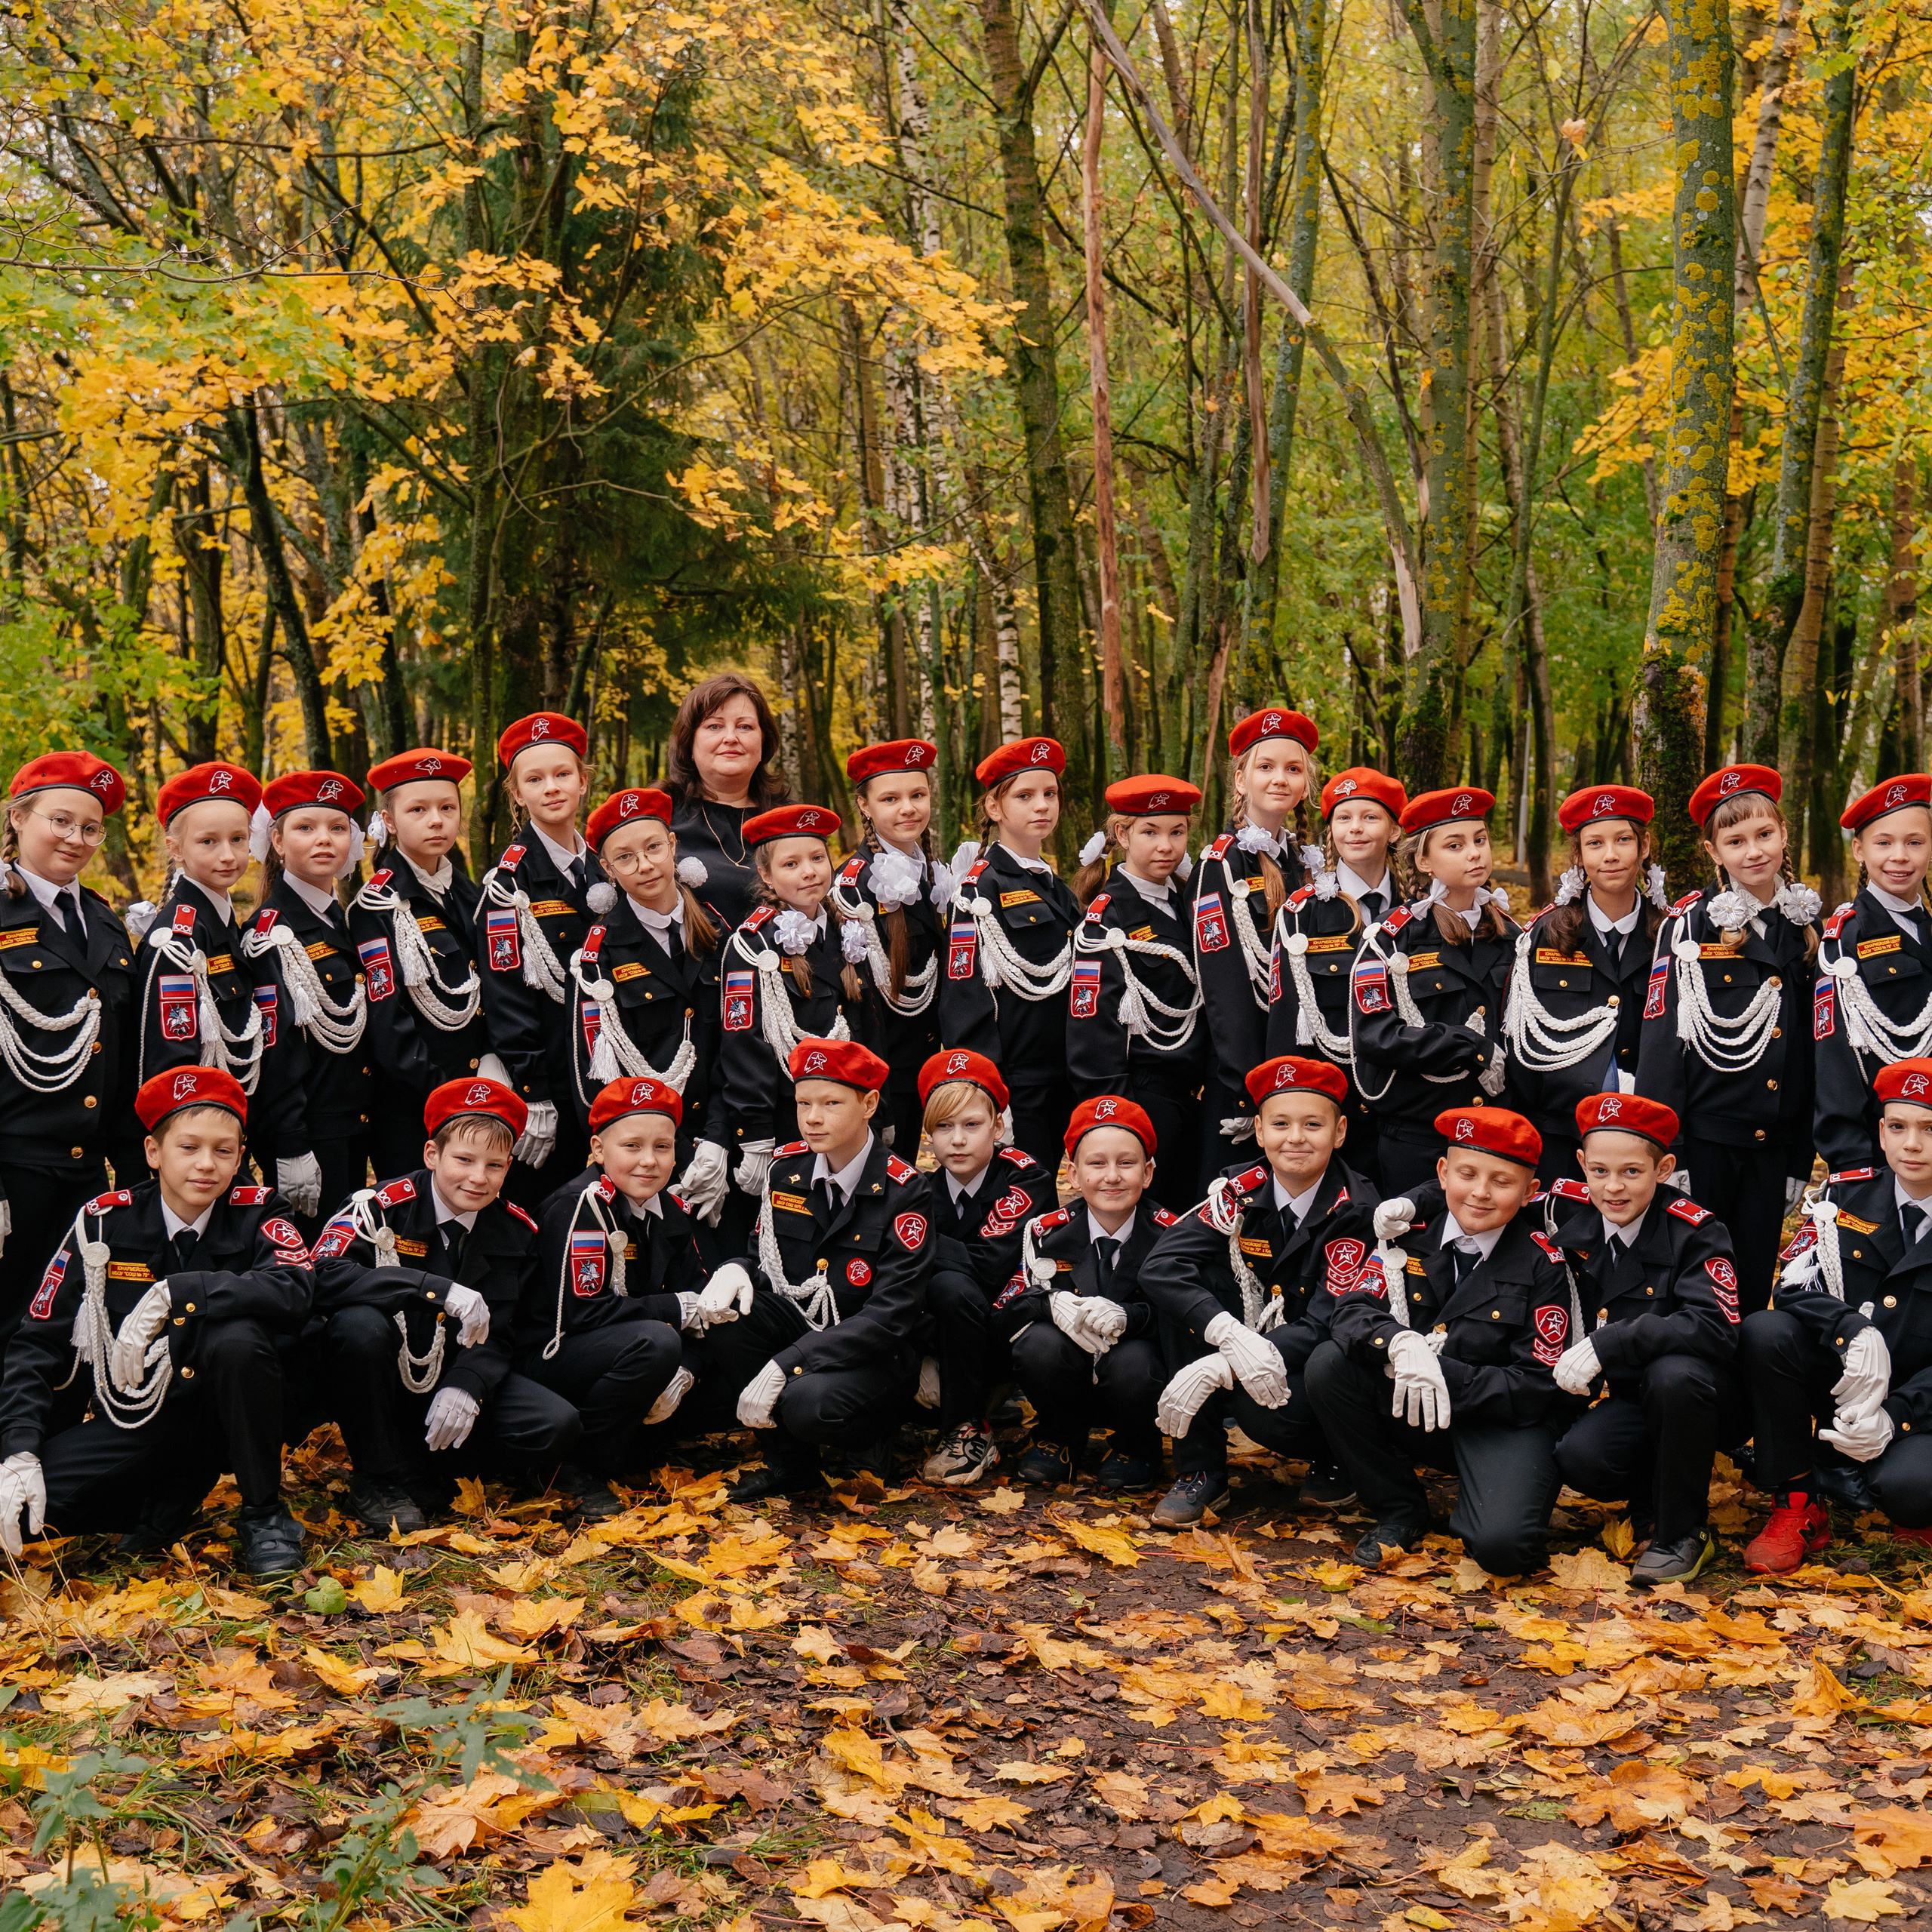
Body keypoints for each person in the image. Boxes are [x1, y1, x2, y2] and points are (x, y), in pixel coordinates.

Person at [0, 1066, 309, 1574]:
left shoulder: (258, 1212)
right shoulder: (104, 1224)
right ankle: (163, 1498)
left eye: (224, 1150)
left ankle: (264, 1514)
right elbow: (38, 1341)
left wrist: (182, 1292)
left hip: (238, 1412)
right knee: (30, 1507)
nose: (207, 1165)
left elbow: (297, 1288)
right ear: (152, 1153)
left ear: (240, 1157)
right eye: (188, 1147)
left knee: (235, 1338)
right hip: (142, 1418)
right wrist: (19, 1449)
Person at [1306, 1106, 1578, 1574]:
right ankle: (1399, 1509)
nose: (1480, 1193)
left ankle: (1486, 1502)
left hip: (1499, 1421)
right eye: (1467, 1174)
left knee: (1502, 1550)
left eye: (1502, 1181)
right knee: (1330, 1365)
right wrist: (1398, 1344)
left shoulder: (1544, 1266)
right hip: (1415, 1407)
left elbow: (1537, 1384)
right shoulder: (1406, 1234)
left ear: (1531, 1192)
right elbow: (1351, 1311)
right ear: (1442, 1172)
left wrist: (1439, 1371)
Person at [306, 1075, 580, 1532]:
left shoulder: (515, 1231)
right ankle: (377, 1478)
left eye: (494, 1165)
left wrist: (467, 1383)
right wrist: (433, 1288)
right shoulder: (381, 1209)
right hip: (381, 1380)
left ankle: (436, 1464)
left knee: (556, 1424)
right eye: (464, 1159)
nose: (478, 1177)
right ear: (432, 1154)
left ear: (509, 1167)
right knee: (358, 1328)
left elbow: (506, 1330)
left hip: (453, 1375)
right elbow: (323, 1275)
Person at [1142, 1055, 1379, 1527]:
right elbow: (1161, 1266)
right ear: (1259, 1129)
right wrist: (1226, 1334)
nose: (1295, 1138)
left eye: (1313, 1124)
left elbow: (1327, 1322)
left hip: (1309, 1359)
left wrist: (1225, 1360)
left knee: (1278, 1402)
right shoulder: (1238, 1190)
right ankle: (1201, 1472)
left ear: (1340, 1132)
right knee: (1191, 1292)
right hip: (1251, 1337)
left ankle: (1333, 1454)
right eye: (1280, 1123)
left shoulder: (1357, 1208)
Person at [695, 1038, 932, 1503]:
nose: (813, 1118)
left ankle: (870, 1438)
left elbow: (892, 1314)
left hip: (874, 1351)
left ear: (869, 1104)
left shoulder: (905, 1189)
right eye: (804, 1103)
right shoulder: (787, 1170)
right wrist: (736, 1268)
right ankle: (790, 1464)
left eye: (831, 1103)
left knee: (807, 1404)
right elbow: (765, 1257)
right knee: (727, 1314)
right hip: (804, 1326)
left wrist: (789, 1362)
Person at [1635, 764, 1820, 1315]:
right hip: (1706, 1143)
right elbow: (1662, 1045)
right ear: (1714, 852)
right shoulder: (1689, 928)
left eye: (1764, 834)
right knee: (1690, 1282)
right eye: (1735, 841)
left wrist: (1797, 1159)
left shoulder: (1811, 926)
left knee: (1754, 1281)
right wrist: (1670, 1150)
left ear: (1784, 834)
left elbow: (1811, 1057)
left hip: (1773, 1148)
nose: (1753, 851)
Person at [1739, 1057, 1932, 1572]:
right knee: (1766, 1331)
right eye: (1898, 1126)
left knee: (1911, 1491)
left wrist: (1896, 1418)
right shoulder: (1845, 1195)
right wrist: (1854, 1328)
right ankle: (1797, 1502)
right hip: (1844, 1384)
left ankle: (1911, 1501)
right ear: (1882, 1134)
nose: (1912, 1144)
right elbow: (1793, 1283)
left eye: (1930, 1129)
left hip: (1922, 1406)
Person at [1545, 1092, 1743, 1586]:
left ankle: (1684, 1532)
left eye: (1632, 1172)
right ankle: (1652, 1495)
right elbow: (1485, 1188)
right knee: (1581, 1459)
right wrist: (1415, 1202)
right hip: (1634, 1400)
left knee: (1673, 1373)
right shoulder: (1566, 1216)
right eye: (1599, 1171)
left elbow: (1715, 1327)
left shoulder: (1697, 1232)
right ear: (1581, 1166)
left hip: (1704, 1397)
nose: (1613, 1187)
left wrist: (1612, 1341)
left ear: (1665, 1168)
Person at [518, 1076, 715, 1516]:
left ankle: (635, 1445)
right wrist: (674, 1310)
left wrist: (687, 1367)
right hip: (551, 1357)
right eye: (632, 1146)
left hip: (615, 1350)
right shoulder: (580, 1207)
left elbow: (702, 1296)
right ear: (598, 1148)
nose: (649, 1161)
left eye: (663, 1147)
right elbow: (583, 1311)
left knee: (726, 1330)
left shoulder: (672, 1209)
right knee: (657, 1341)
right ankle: (574, 1466)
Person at [0, 752, 142, 1350]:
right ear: (18, 819)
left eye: (90, 828)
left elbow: (123, 1051)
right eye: (60, 821)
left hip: (86, 1173)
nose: (76, 839)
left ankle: (43, 1444)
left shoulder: (106, 924)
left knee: (66, 1325)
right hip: (16, 1167)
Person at [699, 805, 877, 1228]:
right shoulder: (752, 945)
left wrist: (878, 1112)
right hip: (786, 1116)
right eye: (791, 864)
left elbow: (868, 1027)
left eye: (818, 858)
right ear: (766, 875)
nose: (810, 872)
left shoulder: (845, 928)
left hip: (848, 1114)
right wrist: (757, 1136)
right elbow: (744, 1047)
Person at [991, 1096, 1174, 1491]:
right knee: (1038, 1343)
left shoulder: (1170, 1236)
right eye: (1096, 1164)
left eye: (1126, 1164)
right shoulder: (1047, 1232)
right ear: (1073, 1174)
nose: (1112, 1176)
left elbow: (1185, 1319)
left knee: (1134, 1361)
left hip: (1138, 1379)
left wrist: (1133, 1316)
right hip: (1069, 1374)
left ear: (1148, 1172)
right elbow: (1008, 1311)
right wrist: (1049, 1303)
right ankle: (1059, 1438)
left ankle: (1138, 1446)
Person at [1350, 787, 1519, 1192]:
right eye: (1456, 845)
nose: (1475, 853)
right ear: (1424, 860)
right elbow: (1375, 1034)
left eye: (1480, 840)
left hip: (1495, 1136)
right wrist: (1471, 1047)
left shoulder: (1513, 935)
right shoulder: (1389, 938)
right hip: (1418, 1137)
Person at [1503, 786, 1669, 1183]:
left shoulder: (1670, 935)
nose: (1610, 855)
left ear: (1644, 847)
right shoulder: (1544, 934)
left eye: (1623, 840)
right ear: (1578, 856)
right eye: (1595, 843)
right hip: (1559, 1135)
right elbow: (1519, 1044)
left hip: (1643, 1139)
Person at [349, 749, 492, 1184]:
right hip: (415, 1109)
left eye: (447, 808)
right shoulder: (376, 906)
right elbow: (388, 1022)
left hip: (485, 1094)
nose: (436, 820)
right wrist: (450, 1095)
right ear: (389, 820)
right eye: (419, 810)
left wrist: (493, 1065)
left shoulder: (473, 893)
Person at [915, 1050, 1056, 1487]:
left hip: (1008, 1331)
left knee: (950, 1286)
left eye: (972, 1125)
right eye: (944, 1126)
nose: (957, 1140)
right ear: (928, 1134)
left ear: (997, 1126)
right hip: (942, 1340)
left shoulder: (1025, 1178)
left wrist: (927, 1249)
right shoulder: (919, 1189)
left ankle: (968, 1429)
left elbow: (991, 1265)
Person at [1192, 709, 1322, 1183]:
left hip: (1296, 1067)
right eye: (1265, 767)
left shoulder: (1307, 863)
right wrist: (1250, 1088)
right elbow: (1223, 984)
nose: (1280, 779)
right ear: (1241, 779)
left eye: (1293, 769)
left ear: (1306, 783)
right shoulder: (1221, 865)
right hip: (1242, 1075)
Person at [939, 737, 1080, 1173]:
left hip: (1065, 1078)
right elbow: (966, 1002)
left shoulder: (1060, 889)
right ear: (995, 808)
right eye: (1025, 796)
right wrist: (987, 1095)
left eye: (1050, 794)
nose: (1042, 806)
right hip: (1017, 1086)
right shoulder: (979, 890)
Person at [564, 788, 718, 1184]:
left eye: (653, 848)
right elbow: (595, 1077)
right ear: (607, 869)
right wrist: (674, 1151)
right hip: (648, 1158)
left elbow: (741, 1044)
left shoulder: (720, 931)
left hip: (725, 1138)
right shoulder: (597, 957)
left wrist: (720, 1140)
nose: (645, 865)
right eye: (626, 858)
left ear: (672, 845)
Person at [1067, 777, 1207, 1214]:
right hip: (1144, 1101)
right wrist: (1115, 1124)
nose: (1166, 846)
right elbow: (1091, 1036)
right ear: (1122, 835)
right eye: (1150, 832)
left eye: (1177, 832)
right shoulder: (1105, 921)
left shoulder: (1188, 902)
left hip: (1193, 1100)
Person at [242, 771, 372, 1236]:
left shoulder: (348, 918)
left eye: (338, 828)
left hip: (357, 1122)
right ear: (276, 841)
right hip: (314, 1134)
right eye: (305, 828)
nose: (325, 840)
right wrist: (291, 1146)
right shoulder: (269, 933)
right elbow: (276, 1048)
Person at [1266, 768, 1408, 1186]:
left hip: (1405, 1104)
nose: (1356, 829)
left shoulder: (1420, 909)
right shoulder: (1302, 912)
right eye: (1343, 819)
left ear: (1395, 831)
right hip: (1331, 1109)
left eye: (1370, 817)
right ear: (1330, 832)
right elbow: (1284, 1018)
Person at [475, 712, 596, 1208]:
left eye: (563, 774)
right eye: (535, 779)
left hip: (603, 1079)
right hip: (551, 1085)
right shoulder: (509, 887)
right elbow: (506, 998)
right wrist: (533, 1091)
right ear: (517, 794)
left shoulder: (607, 868)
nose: (551, 788)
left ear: (583, 783)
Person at [137, 764, 283, 1142]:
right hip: (198, 1133)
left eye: (238, 839)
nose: (228, 855)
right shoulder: (179, 938)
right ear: (175, 848)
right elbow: (173, 1055)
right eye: (208, 842)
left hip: (230, 1122)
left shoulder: (222, 921)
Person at [830, 740, 946, 1158]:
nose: (908, 808)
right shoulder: (852, 887)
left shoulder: (936, 872)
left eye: (918, 795)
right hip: (881, 1074)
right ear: (864, 805)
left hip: (926, 1064)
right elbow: (853, 994)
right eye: (890, 799)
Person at [1814, 774, 1932, 1176]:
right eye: (1884, 843)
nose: (1900, 856)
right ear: (1860, 850)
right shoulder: (1846, 936)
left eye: (1914, 842)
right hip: (1881, 1148)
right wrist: (1850, 1160)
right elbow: (1835, 1057)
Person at [664, 674, 794, 939]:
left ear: (763, 743)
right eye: (714, 727)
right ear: (689, 742)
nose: (731, 738)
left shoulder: (790, 820)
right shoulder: (660, 818)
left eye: (745, 727)